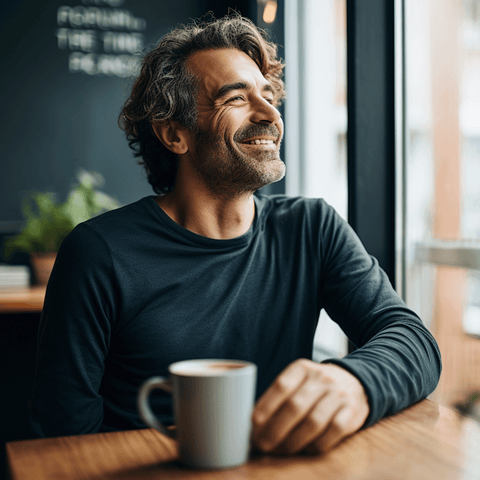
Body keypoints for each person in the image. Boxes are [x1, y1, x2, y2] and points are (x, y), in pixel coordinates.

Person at [30, 14, 441, 455]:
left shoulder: (312, 228)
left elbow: (413, 339)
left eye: (268, 95)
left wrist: (356, 382)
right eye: (235, 99)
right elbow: (64, 438)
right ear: (174, 134)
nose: (269, 115)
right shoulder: (98, 252)